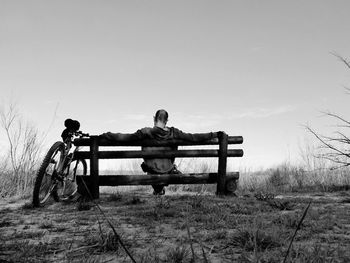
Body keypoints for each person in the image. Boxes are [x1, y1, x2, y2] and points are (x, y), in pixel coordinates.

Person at [100, 109, 218, 195]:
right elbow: (193, 137)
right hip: (167, 169)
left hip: (152, 170)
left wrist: (107, 135)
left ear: (154, 118)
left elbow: (125, 137)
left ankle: (158, 188)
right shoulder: (174, 132)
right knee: (168, 166)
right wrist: (213, 134)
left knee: (150, 165)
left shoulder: (145, 132)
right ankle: (164, 181)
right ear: (166, 121)